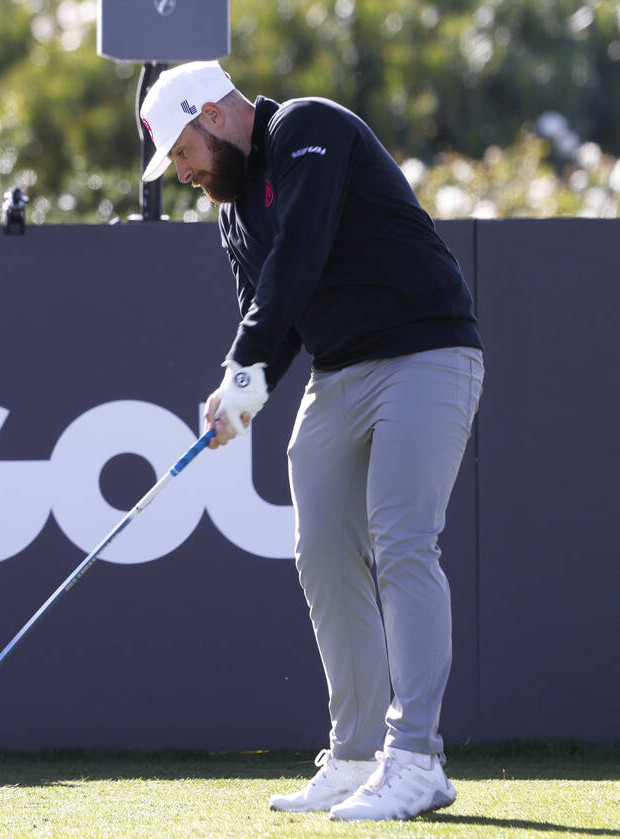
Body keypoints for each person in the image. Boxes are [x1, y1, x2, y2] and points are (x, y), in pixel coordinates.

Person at [139, 61, 484, 821]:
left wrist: (241, 375)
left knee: (401, 542)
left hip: (425, 351)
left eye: (184, 154)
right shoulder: (232, 211)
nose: (186, 173)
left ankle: (417, 757)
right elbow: (276, 316)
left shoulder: (308, 130)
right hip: (341, 374)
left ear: (213, 117)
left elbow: (297, 260)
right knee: (323, 551)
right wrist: (246, 395)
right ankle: (357, 755)